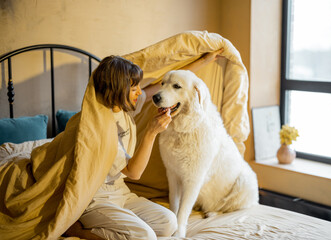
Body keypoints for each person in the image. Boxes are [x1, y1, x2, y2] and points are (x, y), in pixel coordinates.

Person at [64, 48, 224, 240]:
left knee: (169, 223)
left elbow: (160, 86)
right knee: (145, 236)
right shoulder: (98, 127)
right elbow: (134, 172)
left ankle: (124, 221)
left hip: (121, 193)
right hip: (96, 198)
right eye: (134, 88)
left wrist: (203, 61)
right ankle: (78, 230)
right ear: (117, 91)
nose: (140, 92)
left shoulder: (124, 108)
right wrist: (151, 132)